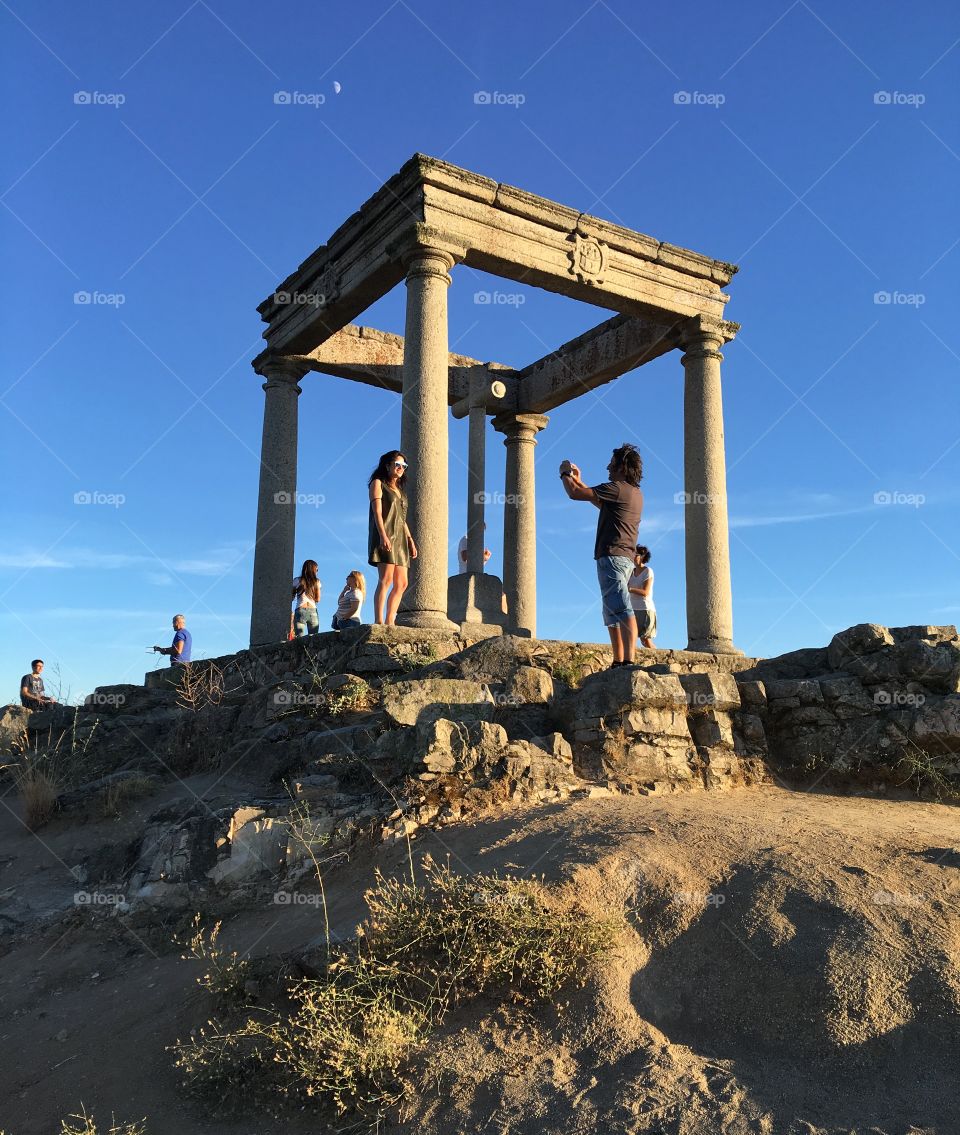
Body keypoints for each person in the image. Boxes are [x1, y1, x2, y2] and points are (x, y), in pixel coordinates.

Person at [560, 443, 644, 668]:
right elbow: (597, 500)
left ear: (622, 467)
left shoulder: (617, 488)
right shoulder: (632, 493)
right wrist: (579, 479)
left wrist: (565, 473)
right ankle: (619, 661)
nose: (608, 467)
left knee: (621, 607)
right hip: (622, 557)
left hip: (613, 556)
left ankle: (628, 661)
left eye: (612, 464)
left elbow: (575, 494)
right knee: (612, 609)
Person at [368, 450, 418, 625]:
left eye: (404, 466)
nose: (401, 468)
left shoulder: (401, 491)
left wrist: (410, 539)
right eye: (397, 464)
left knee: (402, 583)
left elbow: (402, 518)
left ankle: (391, 620)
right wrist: (383, 535)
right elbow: (377, 512)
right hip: (385, 533)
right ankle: (379, 620)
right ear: (387, 465)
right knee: (386, 578)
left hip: (401, 539)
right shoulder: (378, 483)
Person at [629, 545, 657, 649]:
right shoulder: (631, 572)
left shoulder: (648, 571)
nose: (632, 557)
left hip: (645, 609)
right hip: (632, 609)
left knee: (645, 640)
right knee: (632, 637)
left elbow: (645, 592)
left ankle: (658, 662)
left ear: (642, 556)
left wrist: (630, 589)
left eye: (635, 555)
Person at [292, 559, 321, 636]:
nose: (317, 571)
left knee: (299, 639)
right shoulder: (317, 582)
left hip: (300, 609)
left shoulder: (297, 580)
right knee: (314, 638)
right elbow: (318, 599)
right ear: (313, 570)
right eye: (317, 569)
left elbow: (291, 597)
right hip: (313, 610)